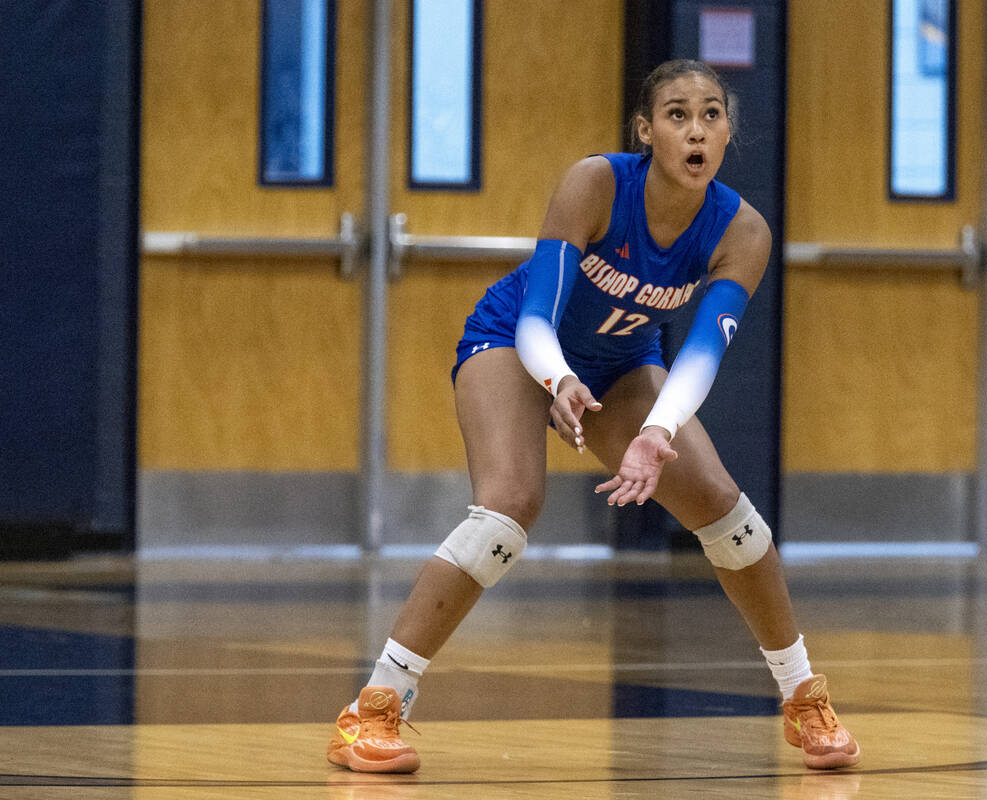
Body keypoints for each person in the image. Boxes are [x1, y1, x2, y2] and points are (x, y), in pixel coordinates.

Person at [326, 59, 860, 774]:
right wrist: (558, 378)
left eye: (711, 114)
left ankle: (803, 701)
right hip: (515, 342)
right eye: (676, 114)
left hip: (621, 364)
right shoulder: (597, 183)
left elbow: (701, 355)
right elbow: (537, 317)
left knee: (730, 517)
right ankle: (374, 709)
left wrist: (654, 433)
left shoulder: (744, 231)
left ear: (729, 131)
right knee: (508, 508)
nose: (695, 129)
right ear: (646, 130)